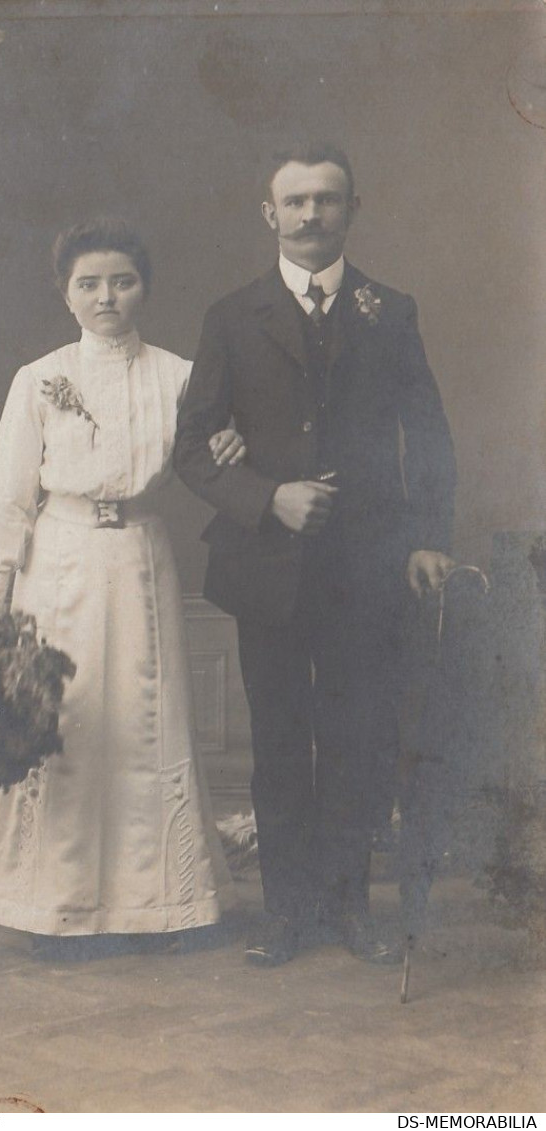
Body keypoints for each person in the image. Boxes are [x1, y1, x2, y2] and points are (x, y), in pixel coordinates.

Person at [174, 143, 457, 967]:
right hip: (267, 568)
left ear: (351, 209)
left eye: (325, 200)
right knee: (277, 740)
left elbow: (428, 432)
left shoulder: (389, 310)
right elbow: (192, 448)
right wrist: (268, 498)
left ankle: (347, 908)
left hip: (365, 566)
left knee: (357, 737)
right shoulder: (232, 316)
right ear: (269, 214)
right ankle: (287, 913)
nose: (308, 215)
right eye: (293, 201)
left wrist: (429, 536)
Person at [0, 217, 242, 947]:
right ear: (66, 293)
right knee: (65, 723)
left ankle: (157, 903)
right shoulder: (39, 379)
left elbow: (214, 454)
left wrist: (229, 439)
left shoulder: (180, 376)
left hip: (140, 561)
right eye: (88, 283)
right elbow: (6, 498)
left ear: (143, 288)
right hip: (55, 564)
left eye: (121, 281)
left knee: (141, 724)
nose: (106, 296)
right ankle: (49, 905)